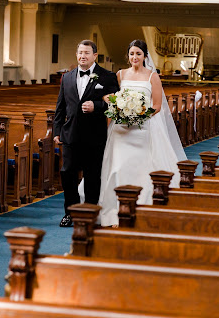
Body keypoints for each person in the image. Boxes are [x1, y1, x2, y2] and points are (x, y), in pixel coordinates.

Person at [98, 39, 187, 227]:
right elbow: (109, 95)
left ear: (145, 56)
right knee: (119, 167)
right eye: (131, 54)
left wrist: (138, 114)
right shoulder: (120, 75)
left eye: (138, 54)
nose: (134, 57)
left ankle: (140, 207)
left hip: (143, 129)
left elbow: (157, 105)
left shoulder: (152, 77)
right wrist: (119, 106)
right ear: (128, 56)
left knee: (140, 167)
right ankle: (117, 211)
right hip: (121, 130)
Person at [53, 39, 119, 227]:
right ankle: (70, 212)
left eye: (87, 53)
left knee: (92, 176)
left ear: (95, 56)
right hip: (70, 135)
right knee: (68, 174)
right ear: (77, 54)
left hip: (94, 136)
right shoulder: (67, 78)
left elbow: (115, 103)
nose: (83, 56)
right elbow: (61, 107)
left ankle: (90, 213)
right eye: (80, 52)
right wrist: (57, 131)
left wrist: (97, 105)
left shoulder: (106, 77)